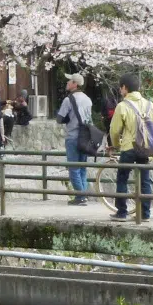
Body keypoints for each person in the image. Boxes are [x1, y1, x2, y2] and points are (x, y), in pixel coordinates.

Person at [107, 73, 153, 221]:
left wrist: (116, 145)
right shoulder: (148, 104)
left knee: (122, 178)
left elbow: (114, 130)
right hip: (145, 148)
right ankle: (144, 214)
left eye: (121, 88)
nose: (120, 91)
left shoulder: (122, 106)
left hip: (128, 148)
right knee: (144, 180)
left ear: (125, 88)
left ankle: (121, 212)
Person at [57, 73, 94, 206]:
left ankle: (80, 196)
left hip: (72, 136)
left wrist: (68, 118)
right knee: (82, 167)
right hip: (85, 137)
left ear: (75, 84)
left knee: (73, 167)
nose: (67, 83)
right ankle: (83, 194)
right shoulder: (88, 99)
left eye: (69, 81)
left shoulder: (69, 100)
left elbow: (59, 118)